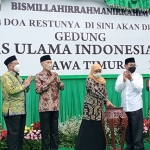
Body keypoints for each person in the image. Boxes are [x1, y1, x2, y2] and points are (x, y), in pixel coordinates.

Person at [75, 63, 114, 150]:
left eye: (99, 71)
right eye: (96, 71)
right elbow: (95, 91)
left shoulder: (103, 81)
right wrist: (106, 100)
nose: (98, 73)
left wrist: (106, 102)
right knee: (88, 127)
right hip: (90, 108)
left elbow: (105, 93)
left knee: (98, 128)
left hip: (99, 109)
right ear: (92, 71)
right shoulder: (89, 80)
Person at [2, 55, 33, 150]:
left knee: (19, 135)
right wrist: (25, 85)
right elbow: (11, 91)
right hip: (11, 110)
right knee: (13, 135)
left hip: (21, 110)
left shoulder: (17, 76)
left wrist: (27, 84)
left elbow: (23, 90)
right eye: (16, 63)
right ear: (10, 65)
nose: (18, 65)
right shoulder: (5, 76)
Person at [35, 55, 64, 150]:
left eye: (50, 62)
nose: (50, 64)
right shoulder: (39, 76)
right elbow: (38, 90)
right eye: (47, 62)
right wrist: (50, 81)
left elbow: (62, 87)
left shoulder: (55, 74)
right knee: (45, 131)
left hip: (55, 106)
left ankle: (54, 148)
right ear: (42, 64)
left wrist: (59, 83)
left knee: (54, 130)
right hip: (45, 108)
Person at [115, 57, 144, 150]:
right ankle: (130, 147)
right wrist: (123, 81)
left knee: (137, 130)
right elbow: (117, 89)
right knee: (127, 129)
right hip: (125, 107)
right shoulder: (120, 77)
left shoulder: (138, 76)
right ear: (125, 66)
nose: (133, 67)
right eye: (130, 65)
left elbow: (139, 88)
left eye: (134, 65)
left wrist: (131, 79)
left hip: (136, 106)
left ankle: (139, 147)